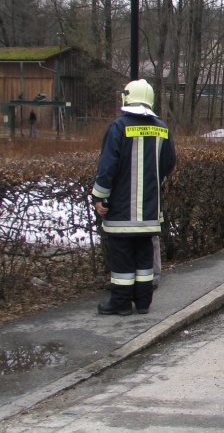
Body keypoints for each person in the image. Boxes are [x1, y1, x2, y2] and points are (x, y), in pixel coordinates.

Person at [93, 79, 177, 316]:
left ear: (126, 98)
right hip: (150, 212)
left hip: (121, 210)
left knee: (121, 259)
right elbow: (169, 163)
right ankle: (142, 303)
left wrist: (100, 197)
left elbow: (107, 166)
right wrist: (154, 183)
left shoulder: (118, 127)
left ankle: (120, 304)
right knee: (144, 259)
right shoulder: (161, 127)